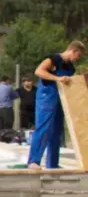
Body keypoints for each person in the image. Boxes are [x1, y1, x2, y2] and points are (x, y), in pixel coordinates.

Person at [27, 41, 86, 170]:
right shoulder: (54, 59)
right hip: (47, 96)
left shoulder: (70, 66)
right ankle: (33, 161)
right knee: (43, 128)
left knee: (57, 131)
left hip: (61, 99)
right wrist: (57, 78)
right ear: (74, 51)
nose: (78, 59)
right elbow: (39, 71)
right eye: (79, 56)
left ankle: (52, 163)